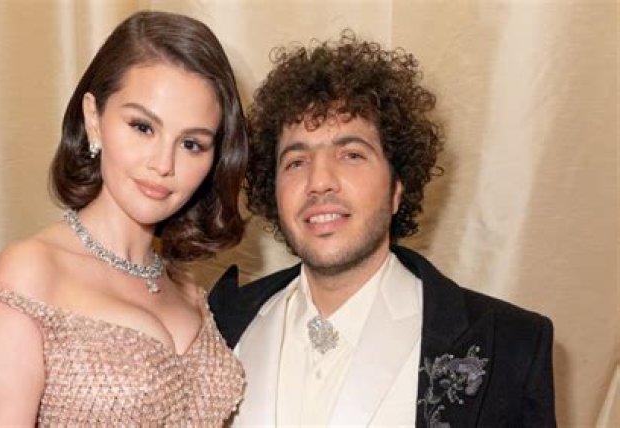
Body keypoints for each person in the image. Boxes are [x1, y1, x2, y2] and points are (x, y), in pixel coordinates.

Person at [209, 31, 555, 427]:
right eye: (296, 162)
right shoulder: (218, 323)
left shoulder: (511, 345)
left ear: (397, 188)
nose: (319, 181)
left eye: (351, 155)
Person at [0, 11, 248, 425]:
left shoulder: (189, 292)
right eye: (143, 127)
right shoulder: (33, 272)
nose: (163, 164)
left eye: (191, 144)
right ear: (93, 119)